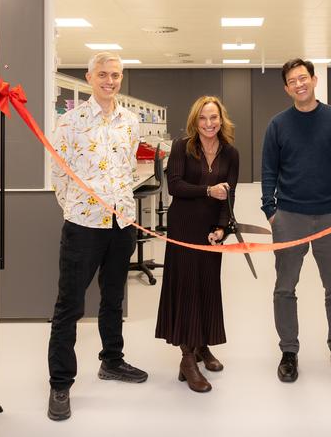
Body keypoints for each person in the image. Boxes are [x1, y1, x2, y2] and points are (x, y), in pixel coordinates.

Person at [47, 52, 147, 421]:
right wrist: (78, 208)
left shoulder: (130, 121)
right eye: (102, 74)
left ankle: (112, 361)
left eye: (116, 75)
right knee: (69, 306)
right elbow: (59, 175)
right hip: (84, 225)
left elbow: (128, 166)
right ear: (89, 77)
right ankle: (60, 383)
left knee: (113, 299)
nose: (109, 81)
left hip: (122, 225)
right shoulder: (70, 122)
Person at [261, 58, 331, 383]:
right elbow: (268, 171)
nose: (299, 84)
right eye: (292, 81)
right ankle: (289, 352)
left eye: (304, 78)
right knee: (284, 288)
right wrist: (271, 210)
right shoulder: (278, 124)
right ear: (286, 88)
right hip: (289, 216)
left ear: (315, 80)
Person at [155, 96, 239, 393]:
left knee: (206, 285)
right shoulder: (182, 147)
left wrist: (221, 228)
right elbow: (175, 185)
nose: (208, 124)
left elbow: (229, 196)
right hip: (184, 226)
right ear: (195, 120)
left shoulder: (230, 153)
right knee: (187, 287)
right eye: (203, 118)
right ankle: (187, 357)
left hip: (209, 231)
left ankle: (202, 345)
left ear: (221, 119)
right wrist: (208, 190)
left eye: (213, 117)